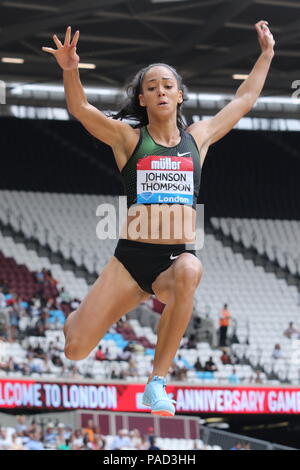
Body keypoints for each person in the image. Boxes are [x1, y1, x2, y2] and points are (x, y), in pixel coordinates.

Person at [42, 21, 275, 417]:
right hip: (129, 261)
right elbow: (80, 109)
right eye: (151, 87)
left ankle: (156, 383)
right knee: (75, 350)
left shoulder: (198, 138)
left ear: (179, 95)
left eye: (167, 84)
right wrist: (70, 70)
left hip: (171, 263)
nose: (160, 90)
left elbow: (245, 99)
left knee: (191, 268)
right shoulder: (129, 139)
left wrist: (266, 54)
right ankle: (77, 319)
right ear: (143, 99)